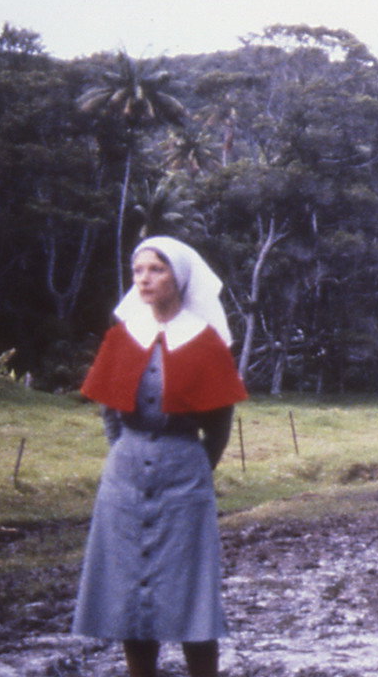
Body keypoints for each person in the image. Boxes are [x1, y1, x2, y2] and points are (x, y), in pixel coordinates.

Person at [74, 237, 248, 677]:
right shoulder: (123, 336)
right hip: (124, 479)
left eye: (156, 270)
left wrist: (190, 468)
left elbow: (219, 430)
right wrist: (128, 456)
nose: (144, 279)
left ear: (179, 278)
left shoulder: (205, 342)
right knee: (128, 597)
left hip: (184, 479)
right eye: (138, 271)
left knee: (191, 597)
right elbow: (111, 415)